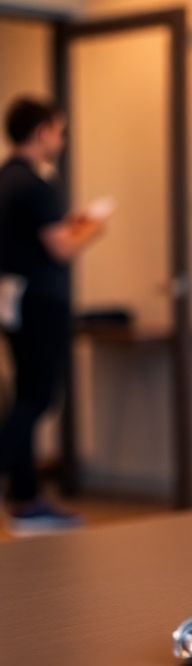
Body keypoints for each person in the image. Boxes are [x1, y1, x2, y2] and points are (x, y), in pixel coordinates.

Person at [0, 96, 106, 533]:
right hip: (41, 302)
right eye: (58, 131)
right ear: (42, 131)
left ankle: (25, 499)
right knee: (38, 397)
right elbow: (59, 247)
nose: (61, 140)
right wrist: (91, 228)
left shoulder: (6, 178)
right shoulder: (36, 185)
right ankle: (21, 492)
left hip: (13, 301)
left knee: (25, 392)